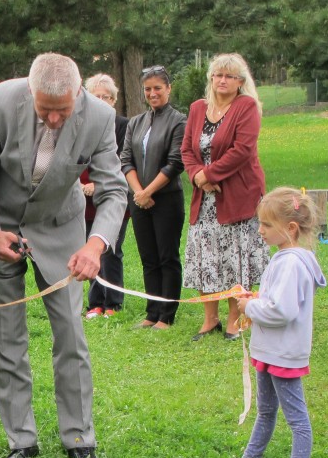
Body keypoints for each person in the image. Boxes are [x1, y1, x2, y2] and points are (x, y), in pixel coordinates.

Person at [0, 52, 127, 458]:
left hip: (62, 227)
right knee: (7, 336)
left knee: (71, 334)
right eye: (44, 110)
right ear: (30, 94)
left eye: (63, 111)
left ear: (79, 93)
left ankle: (79, 440)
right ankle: (21, 441)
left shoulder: (100, 117)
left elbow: (113, 191)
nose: (54, 120)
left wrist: (94, 246)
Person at [229, 188, 327, 458]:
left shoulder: (292, 263)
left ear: (291, 228)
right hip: (270, 351)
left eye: (267, 225)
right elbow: (277, 300)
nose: (260, 230)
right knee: (266, 410)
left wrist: (250, 307)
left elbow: (282, 311)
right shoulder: (285, 259)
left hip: (283, 354)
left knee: (296, 419)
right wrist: (257, 298)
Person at [182, 53, 269, 341]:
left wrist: (210, 175)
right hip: (204, 199)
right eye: (218, 74)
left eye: (229, 76)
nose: (222, 80)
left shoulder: (246, 107)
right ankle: (210, 320)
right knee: (207, 256)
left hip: (238, 195)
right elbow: (187, 150)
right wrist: (197, 176)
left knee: (234, 257)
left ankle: (236, 318)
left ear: (240, 82)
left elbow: (242, 150)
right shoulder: (197, 108)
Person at [120, 65, 187, 329]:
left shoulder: (179, 121)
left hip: (166, 199)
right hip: (138, 200)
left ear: (168, 89)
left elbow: (175, 162)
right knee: (148, 257)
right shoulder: (136, 122)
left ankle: (167, 315)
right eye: (148, 89)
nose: (152, 93)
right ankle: (152, 312)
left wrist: (149, 191)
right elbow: (126, 160)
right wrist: (139, 192)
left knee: (166, 256)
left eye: (157, 88)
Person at [82, 74, 129, 319]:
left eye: (106, 97)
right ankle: (94, 302)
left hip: (112, 199)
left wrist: (97, 187)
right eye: (95, 96)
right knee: (90, 249)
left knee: (110, 250)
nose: (101, 100)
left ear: (114, 100)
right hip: (83, 202)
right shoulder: (81, 124)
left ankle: (113, 302)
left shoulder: (122, 125)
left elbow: (121, 162)